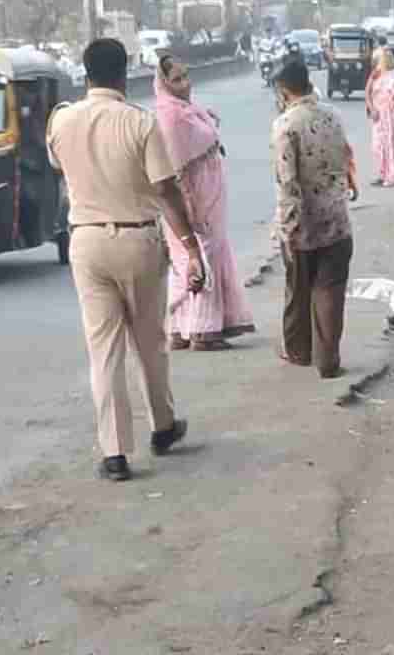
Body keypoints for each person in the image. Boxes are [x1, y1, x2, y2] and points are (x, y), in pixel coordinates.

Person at [47, 39, 206, 483]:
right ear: (123, 75)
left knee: (104, 351)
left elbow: (60, 167)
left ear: (86, 73)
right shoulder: (140, 124)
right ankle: (162, 425)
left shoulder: (61, 121)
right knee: (150, 342)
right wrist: (191, 247)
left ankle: (114, 452)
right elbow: (167, 189)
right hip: (138, 238)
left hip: (86, 242)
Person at [153, 55, 256, 351]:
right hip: (194, 194)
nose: (185, 84)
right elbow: (180, 164)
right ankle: (202, 330)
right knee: (201, 252)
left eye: (186, 76)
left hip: (207, 188)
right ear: (164, 84)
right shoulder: (171, 116)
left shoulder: (186, 110)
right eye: (177, 79)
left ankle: (180, 329)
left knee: (196, 254)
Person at [270, 59, 355, 379]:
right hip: (336, 218)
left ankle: (299, 351)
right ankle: (328, 359)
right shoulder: (333, 115)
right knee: (330, 290)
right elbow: (344, 158)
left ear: (283, 90)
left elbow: (287, 183)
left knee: (298, 290)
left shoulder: (285, 125)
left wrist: (287, 229)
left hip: (303, 225)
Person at [368, 49, 394, 187]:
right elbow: (367, 93)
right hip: (379, 116)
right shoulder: (376, 74)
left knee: (391, 145)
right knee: (378, 146)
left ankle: (392, 176)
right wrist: (372, 109)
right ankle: (382, 174)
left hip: (391, 115)